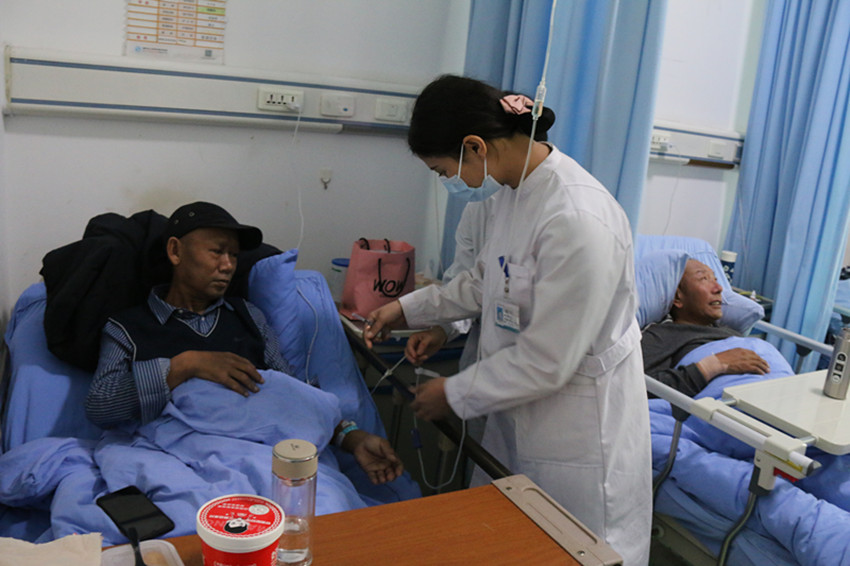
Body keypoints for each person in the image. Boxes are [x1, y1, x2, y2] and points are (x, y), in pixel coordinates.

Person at [363, 75, 652, 565]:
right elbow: (485, 282)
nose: (447, 181)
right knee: (508, 540)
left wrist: (452, 392)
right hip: (519, 415)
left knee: (579, 550)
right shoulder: (513, 196)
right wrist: (406, 309)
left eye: (442, 170)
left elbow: (549, 360)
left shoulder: (577, 218)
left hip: (580, 435)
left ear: (475, 147)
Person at [85, 201, 403, 485]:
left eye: (234, 256)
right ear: (175, 251)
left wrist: (351, 437)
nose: (227, 265)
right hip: (173, 460)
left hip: (259, 457)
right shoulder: (128, 327)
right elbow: (101, 405)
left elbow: (291, 398)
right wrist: (184, 366)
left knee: (325, 504)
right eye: (217, 251)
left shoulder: (248, 316)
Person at [642, 259, 770, 396]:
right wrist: (711, 366)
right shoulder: (662, 335)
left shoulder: (727, 331)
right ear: (678, 298)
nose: (719, 288)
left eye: (715, 279)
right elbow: (638, 387)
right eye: (703, 279)